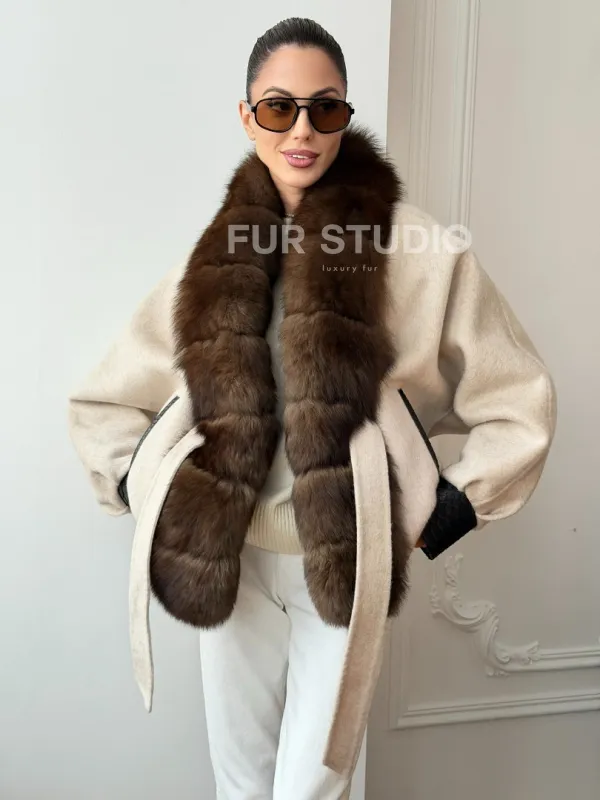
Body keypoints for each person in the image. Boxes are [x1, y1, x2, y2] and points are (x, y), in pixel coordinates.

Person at [67, 16, 557, 800]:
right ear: (247, 116)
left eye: (324, 108)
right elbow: (106, 399)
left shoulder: (417, 251)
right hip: (232, 559)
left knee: (313, 788)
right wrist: (150, 490)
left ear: (345, 115)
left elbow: (519, 400)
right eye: (278, 107)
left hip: (346, 561)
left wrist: (446, 509)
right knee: (240, 783)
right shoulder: (216, 256)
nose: (301, 130)